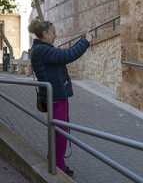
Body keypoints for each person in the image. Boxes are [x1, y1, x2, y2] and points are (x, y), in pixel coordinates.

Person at [28, 19, 93, 176]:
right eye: (53, 33)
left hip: (56, 95)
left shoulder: (42, 48)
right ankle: (58, 167)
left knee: (59, 132)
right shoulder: (42, 50)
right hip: (55, 97)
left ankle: (56, 161)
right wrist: (86, 42)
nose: (56, 35)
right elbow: (68, 55)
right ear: (45, 34)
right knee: (60, 133)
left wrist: (82, 40)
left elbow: (64, 53)